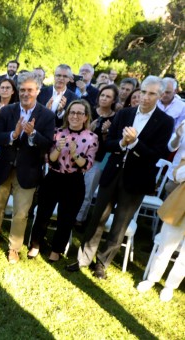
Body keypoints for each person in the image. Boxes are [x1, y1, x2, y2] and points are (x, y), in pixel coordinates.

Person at [66, 76, 174, 279]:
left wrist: (134, 144)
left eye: (151, 94)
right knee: (97, 217)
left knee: (120, 224)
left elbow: (157, 154)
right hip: (112, 173)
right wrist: (123, 144)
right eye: (143, 92)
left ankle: (102, 263)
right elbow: (108, 144)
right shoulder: (124, 114)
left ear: (159, 96)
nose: (145, 97)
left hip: (137, 179)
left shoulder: (165, 121)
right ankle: (83, 258)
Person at [0, 72, 55, 264]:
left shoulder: (46, 115)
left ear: (37, 91)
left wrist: (33, 134)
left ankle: (14, 248)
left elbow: (47, 144)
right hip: (5, 167)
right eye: (22, 90)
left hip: (28, 171)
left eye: (30, 90)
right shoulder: (7, 111)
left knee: (21, 213)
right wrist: (14, 134)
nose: (25, 93)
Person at [28, 100, 98, 262]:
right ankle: (35, 245)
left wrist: (74, 153)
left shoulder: (92, 138)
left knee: (66, 219)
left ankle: (56, 250)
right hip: (53, 178)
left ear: (86, 117)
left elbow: (86, 165)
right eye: (72, 112)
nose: (75, 116)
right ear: (67, 115)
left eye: (79, 113)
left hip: (74, 181)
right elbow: (49, 160)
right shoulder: (57, 132)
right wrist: (58, 149)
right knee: (43, 214)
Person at [136, 157, 185, 302]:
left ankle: (170, 286)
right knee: (164, 248)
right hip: (178, 207)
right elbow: (177, 175)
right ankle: (152, 279)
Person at [75, 85, 119, 227]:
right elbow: (76, 135)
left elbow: (112, 144)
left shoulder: (116, 118)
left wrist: (106, 133)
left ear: (113, 100)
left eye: (108, 96)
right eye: (102, 95)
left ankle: (79, 219)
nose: (104, 98)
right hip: (80, 155)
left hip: (101, 158)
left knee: (88, 190)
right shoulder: (89, 112)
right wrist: (88, 130)